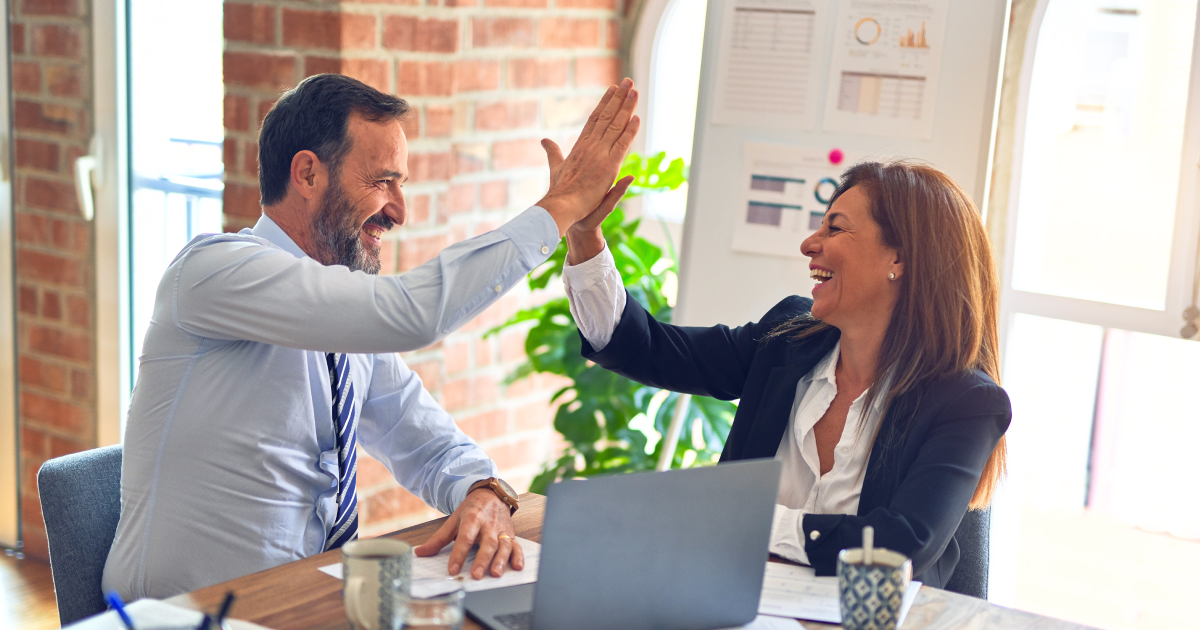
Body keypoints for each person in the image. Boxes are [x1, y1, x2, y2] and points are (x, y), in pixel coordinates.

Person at [102, 74, 641, 600]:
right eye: (383, 181)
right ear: (308, 175)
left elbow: (425, 440)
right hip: (183, 616)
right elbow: (413, 313)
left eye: (400, 184)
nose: (399, 210)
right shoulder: (213, 272)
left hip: (303, 601)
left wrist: (483, 491)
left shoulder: (344, 322)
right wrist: (561, 207)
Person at [561, 159, 1011, 588]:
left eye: (834, 228)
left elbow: (899, 546)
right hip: (735, 605)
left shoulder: (966, 402)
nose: (809, 244)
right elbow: (648, 349)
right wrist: (585, 237)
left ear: (899, 259)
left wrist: (746, 520)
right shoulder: (787, 340)